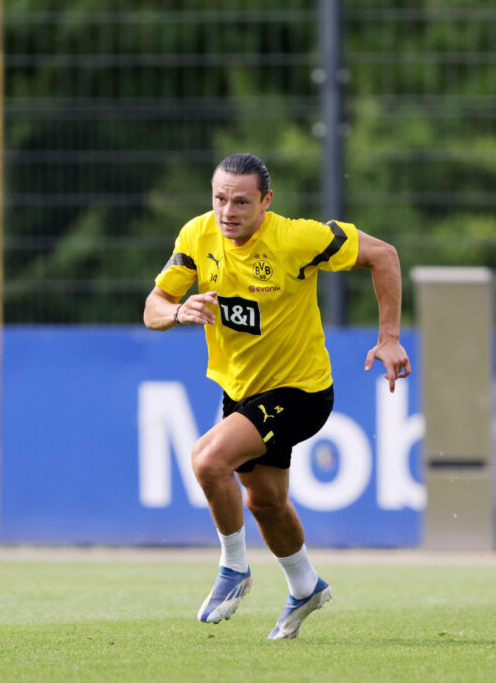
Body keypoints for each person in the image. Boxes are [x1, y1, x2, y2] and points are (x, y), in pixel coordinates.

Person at [143, 152, 410, 640]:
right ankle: (305, 585)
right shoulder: (197, 235)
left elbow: (384, 255)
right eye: (220, 199)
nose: (228, 212)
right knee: (265, 503)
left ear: (267, 201)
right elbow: (153, 306)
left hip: (301, 391)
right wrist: (178, 311)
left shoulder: (296, 239)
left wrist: (389, 337)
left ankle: (233, 568)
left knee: (207, 460)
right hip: (242, 393)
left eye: (242, 202)